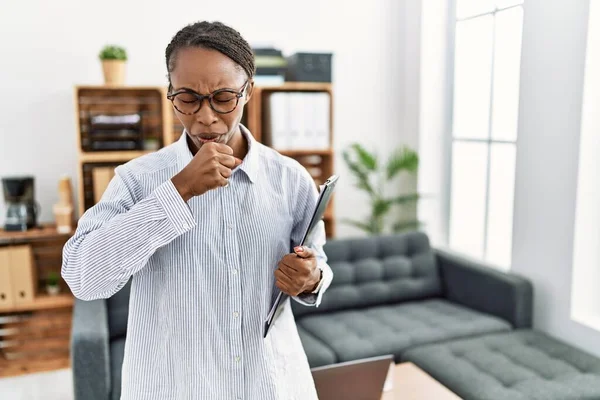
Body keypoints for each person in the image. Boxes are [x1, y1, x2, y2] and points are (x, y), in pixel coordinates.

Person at [62, 21, 333, 400]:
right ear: (170, 92)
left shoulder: (290, 178)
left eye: (223, 98)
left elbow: (316, 263)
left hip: (270, 384)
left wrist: (310, 278)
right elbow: (83, 277)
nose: (206, 117)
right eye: (188, 99)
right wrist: (179, 190)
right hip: (175, 388)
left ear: (248, 91)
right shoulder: (137, 180)